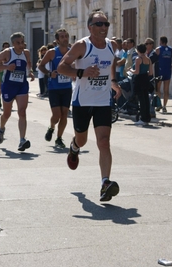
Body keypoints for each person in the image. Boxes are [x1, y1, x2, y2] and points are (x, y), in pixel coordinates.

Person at [57, 11, 122, 202]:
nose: (103, 27)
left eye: (106, 24)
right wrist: (82, 72)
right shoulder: (82, 46)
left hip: (102, 100)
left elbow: (111, 63)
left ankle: (105, 184)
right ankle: (74, 147)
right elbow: (61, 67)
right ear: (90, 27)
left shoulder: (113, 45)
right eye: (99, 24)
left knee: (104, 142)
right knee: (82, 140)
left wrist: (114, 82)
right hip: (82, 101)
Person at [0, 32, 35, 151]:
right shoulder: (7, 53)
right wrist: (6, 67)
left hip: (22, 86)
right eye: (18, 43)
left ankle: (22, 140)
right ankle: (1, 128)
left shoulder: (26, 52)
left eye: (22, 42)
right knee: (7, 113)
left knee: (22, 112)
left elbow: (28, 64)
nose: (21, 45)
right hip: (9, 86)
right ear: (13, 44)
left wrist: (29, 72)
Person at [39, 28, 72, 148]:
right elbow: (41, 66)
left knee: (64, 114)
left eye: (66, 36)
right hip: (54, 88)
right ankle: (51, 127)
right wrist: (49, 73)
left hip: (67, 87)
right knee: (56, 115)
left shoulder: (72, 52)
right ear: (57, 40)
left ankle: (59, 138)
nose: (65, 38)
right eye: (62, 37)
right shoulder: (52, 52)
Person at [128, 43, 154, 125]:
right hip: (146, 79)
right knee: (146, 99)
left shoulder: (138, 59)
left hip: (139, 79)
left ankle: (143, 119)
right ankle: (147, 118)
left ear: (138, 50)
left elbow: (137, 71)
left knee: (141, 100)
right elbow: (151, 73)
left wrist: (130, 70)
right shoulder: (148, 59)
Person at [154, 36, 172, 113]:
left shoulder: (158, 49)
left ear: (161, 41)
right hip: (167, 71)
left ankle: (158, 105)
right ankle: (164, 106)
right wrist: (171, 66)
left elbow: (153, 59)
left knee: (158, 88)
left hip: (160, 71)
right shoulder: (171, 49)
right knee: (166, 89)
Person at [0, 41, 10, 108]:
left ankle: (8, 101)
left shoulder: (11, 53)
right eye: (5, 46)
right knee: (1, 87)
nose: (6, 47)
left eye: (7, 46)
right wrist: (1, 67)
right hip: (2, 72)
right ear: (3, 47)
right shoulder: (1, 54)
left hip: (9, 72)